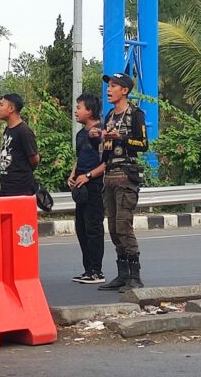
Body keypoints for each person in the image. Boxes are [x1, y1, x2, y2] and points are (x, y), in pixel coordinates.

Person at [94, 73, 148, 292]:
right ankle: (122, 274)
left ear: (124, 90)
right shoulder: (109, 115)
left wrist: (121, 138)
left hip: (126, 176)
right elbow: (106, 149)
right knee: (114, 228)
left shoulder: (136, 114)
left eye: (114, 86)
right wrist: (100, 136)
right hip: (109, 176)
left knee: (124, 226)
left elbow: (143, 144)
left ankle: (135, 277)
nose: (109, 89)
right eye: (108, 86)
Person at [67, 93, 106, 285]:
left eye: (79, 107)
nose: (76, 111)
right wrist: (73, 174)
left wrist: (89, 175)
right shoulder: (80, 134)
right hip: (80, 186)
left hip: (95, 186)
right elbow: (80, 157)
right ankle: (87, 270)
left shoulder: (102, 132)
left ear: (89, 111)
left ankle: (97, 271)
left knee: (93, 228)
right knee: (81, 228)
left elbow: (107, 163)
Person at [0, 93, 40, 197]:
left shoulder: (24, 131)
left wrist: (21, 172)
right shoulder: (8, 129)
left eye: (1, 105)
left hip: (20, 188)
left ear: (11, 108)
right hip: (6, 186)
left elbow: (34, 159)